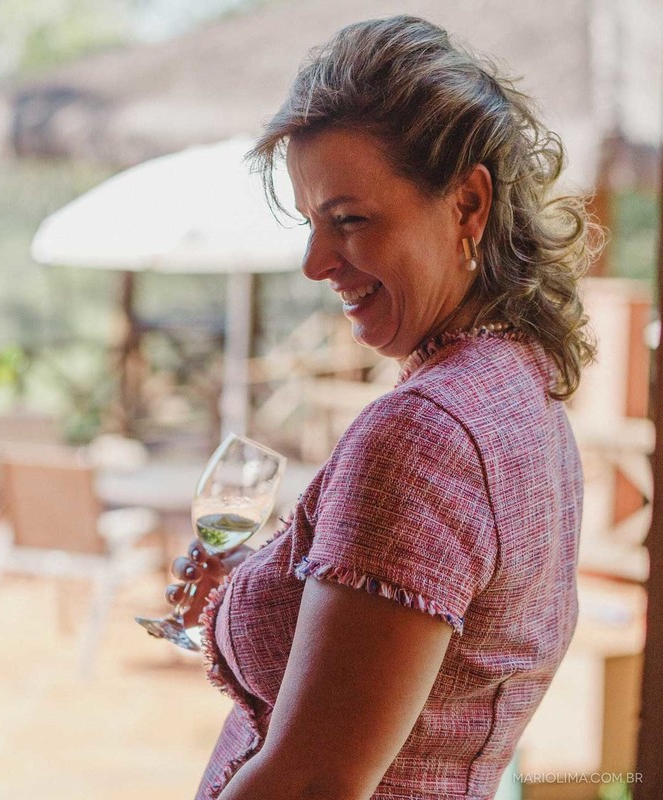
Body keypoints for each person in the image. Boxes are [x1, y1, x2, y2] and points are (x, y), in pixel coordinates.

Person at [173, 16, 597, 799]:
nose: (314, 263)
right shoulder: (521, 394)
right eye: (310, 224)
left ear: (468, 204)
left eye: (351, 220)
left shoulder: (425, 434)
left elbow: (313, 782)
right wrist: (253, 586)